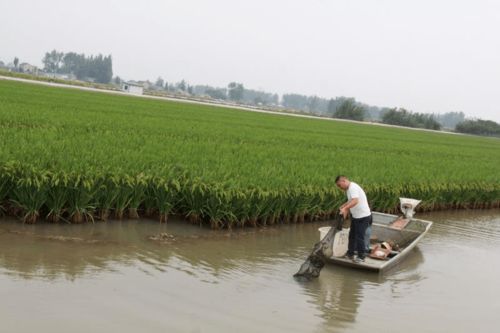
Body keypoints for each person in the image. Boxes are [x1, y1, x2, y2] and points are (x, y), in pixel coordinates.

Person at [335, 175, 372, 263]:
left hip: (363, 216)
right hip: (356, 216)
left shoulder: (353, 187)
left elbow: (355, 201)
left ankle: (361, 256)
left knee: (360, 237)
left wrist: (345, 209)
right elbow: (351, 201)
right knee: (352, 236)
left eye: (339, 185)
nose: (340, 188)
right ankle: (350, 253)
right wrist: (344, 206)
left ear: (344, 181)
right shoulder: (348, 189)